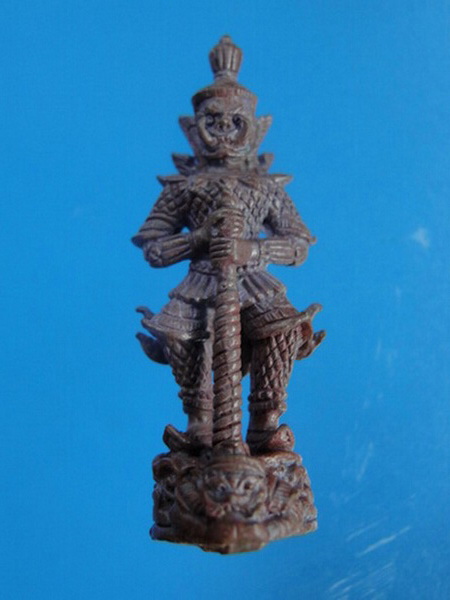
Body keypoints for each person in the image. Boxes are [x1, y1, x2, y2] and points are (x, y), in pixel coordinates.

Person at [133, 36, 324, 454]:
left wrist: (254, 251)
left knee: (282, 329)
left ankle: (265, 422)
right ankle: (199, 421)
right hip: (201, 282)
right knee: (181, 334)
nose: (222, 132)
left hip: (254, 280)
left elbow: (298, 244)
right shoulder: (184, 187)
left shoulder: (266, 188)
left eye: (235, 123)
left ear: (255, 130)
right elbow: (154, 248)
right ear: (192, 129)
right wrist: (199, 239)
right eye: (212, 122)